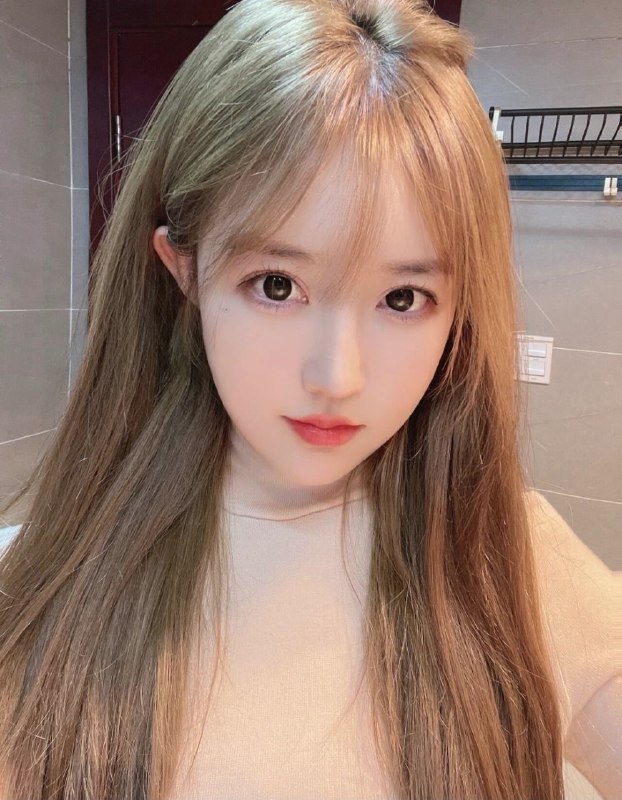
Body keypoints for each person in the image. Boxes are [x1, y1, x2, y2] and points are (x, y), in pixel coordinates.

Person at [0, 0, 618, 798]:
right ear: (185, 269)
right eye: (277, 285)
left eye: (402, 299)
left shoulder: (513, 563)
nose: (337, 376)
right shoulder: (45, 584)